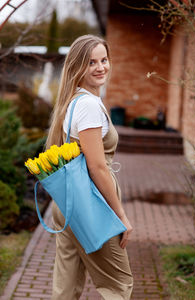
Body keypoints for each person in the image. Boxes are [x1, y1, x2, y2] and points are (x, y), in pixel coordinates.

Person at [46, 34, 133, 300]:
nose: (100, 67)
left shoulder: (73, 103)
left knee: (66, 286)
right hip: (92, 206)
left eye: (104, 60)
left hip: (68, 203)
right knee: (118, 285)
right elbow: (97, 167)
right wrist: (120, 216)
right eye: (91, 62)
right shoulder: (89, 107)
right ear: (77, 67)